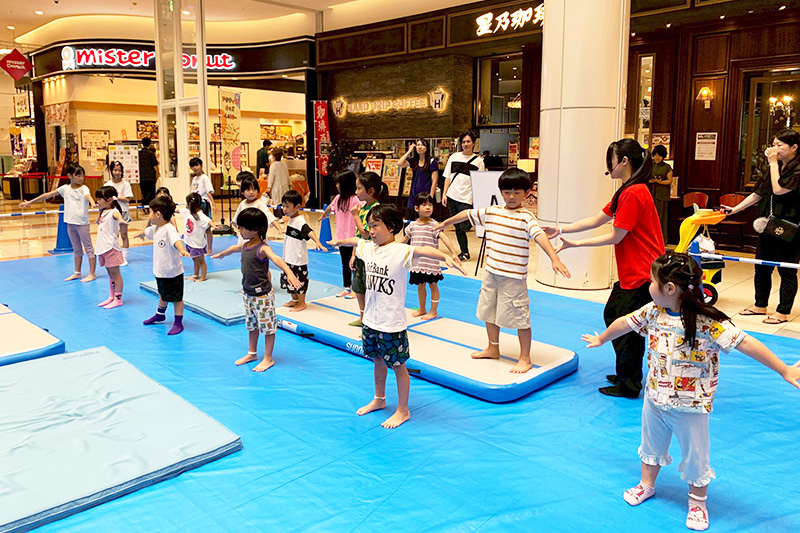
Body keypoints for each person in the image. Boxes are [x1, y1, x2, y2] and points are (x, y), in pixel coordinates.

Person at [582, 252, 800, 532]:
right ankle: (646, 484)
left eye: (652, 281)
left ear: (669, 289)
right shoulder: (653, 311)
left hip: (691, 407)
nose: (649, 286)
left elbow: (745, 343)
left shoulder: (707, 322)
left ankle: (697, 502)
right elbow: (625, 322)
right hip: (654, 399)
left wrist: (783, 369)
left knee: (696, 456)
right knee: (651, 446)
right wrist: (602, 338)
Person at [545, 138, 664, 397]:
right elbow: (598, 219)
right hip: (635, 270)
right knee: (616, 317)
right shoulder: (627, 190)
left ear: (623, 161)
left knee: (626, 325)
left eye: (610, 160)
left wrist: (575, 244)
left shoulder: (634, 192)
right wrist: (561, 228)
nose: (608, 166)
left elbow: (615, 235)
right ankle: (626, 373)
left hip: (643, 271)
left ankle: (629, 383)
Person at [329, 204, 466, 429]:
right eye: (369, 226)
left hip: (391, 323)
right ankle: (379, 399)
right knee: (377, 360)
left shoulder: (400, 251)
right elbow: (357, 242)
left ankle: (403, 410)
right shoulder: (369, 248)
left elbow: (423, 250)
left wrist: (445, 256)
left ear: (391, 227)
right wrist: (339, 241)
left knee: (399, 366)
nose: (371, 231)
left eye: (376, 226)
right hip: (370, 321)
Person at [438, 168, 571, 373]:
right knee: (489, 312)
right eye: (507, 191)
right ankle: (493, 348)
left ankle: (525, 358)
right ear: (500, 191)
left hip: (513, 277)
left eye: (517, 192)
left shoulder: (526, 217)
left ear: (527, 193)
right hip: (491, 272)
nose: (511, 196)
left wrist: (554, 257)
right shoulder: (493, 212)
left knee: (520, 318)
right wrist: (446, 222)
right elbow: (467, 213)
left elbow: (540, 236)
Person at [722, 128, 800, 325]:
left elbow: (779, 189)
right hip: (769, 223)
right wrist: (735, 209)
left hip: (791, 225)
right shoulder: (774, 167)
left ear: (794, 147)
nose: (774, 149)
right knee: (762, 266)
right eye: (773, 145)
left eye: (779, 145)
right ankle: (760, 305)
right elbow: (759, 193)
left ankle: (782, 311)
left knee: (786, 270)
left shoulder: (797, 169)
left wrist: (773, 164)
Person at [212, 208, 302, 372]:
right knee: (252, 326)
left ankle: (268, 358)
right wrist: (221, 255)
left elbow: (276, 259)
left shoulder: (262, 248)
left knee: (267, 327)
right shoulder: (245, 245)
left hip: (262, 296)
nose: (239, 230)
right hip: (248, 294)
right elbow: (233, 248)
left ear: (255, 230)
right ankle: (252, 353)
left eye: (242, 228)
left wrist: (289, 272)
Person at [20, 164, 97, 282]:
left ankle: (92, 273)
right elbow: (48, 195)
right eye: (78, 176)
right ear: (69, 176)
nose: (81, 178)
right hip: (70, 222)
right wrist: (30, 202)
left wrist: (92, 203)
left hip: (82, 223)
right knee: (76, 249)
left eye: (82, 176)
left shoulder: (84, 188)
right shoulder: (65, 189)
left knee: (88, 248)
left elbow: (88, 196)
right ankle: (77, 272)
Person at [137, 195, 190, 335]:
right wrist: (141, 234)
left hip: (173, 272)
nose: (149, 215)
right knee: (163, 293)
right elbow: (147, 232)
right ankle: (160, 314)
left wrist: (182, 250)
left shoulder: (169, 229)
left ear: (158, 214)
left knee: (177, 299)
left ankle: (178, 322)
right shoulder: (156, 228)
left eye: (150, 212)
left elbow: (177, 240)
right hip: (160, 271)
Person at [403, 192, 458, 320]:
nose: (428, 207)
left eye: (430, 204)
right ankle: (422, 309)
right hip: (418, 262)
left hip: (431, 263)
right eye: (424, 205)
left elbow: (444, 238)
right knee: (420, 285)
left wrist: (453, 253)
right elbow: (404, 241)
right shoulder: (412, 226)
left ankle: (433, 311)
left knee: (433, 285)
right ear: (416, 208)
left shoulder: (434, 225)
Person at [348, 171, 387, 327]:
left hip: (372, 254)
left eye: (359, 189)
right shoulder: (363, 207)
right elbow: (357, 235)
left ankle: (372, 320)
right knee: (358, 285)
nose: (356, 192)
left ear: (370, 191)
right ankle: (363, 316)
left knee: (371, 287)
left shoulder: (375, 209)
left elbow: (365, 234)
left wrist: (355, 216)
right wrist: (353, 254)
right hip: (361, 252)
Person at [280, 190, 327, 312]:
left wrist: (317, 241)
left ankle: (301, 302)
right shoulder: (291, 219)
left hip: (298, 259)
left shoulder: (300, 221)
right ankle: (294, 300)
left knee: (299, 281)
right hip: (289, 257)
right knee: (289, 280)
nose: (284, 209)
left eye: (287, 206)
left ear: (297, 207)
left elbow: (309, 231)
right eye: (283, 206)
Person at [441, 130, 485, 261]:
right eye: (463, 142)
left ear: (474, 143)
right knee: (457, 227)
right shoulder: (454, 157)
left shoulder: (479, 161)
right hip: (452, 196)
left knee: (463, 225)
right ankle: (464, 252)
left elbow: (480, 182)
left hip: (467, 198)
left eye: (468, 142)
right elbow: (447, 177)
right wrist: (444, 194)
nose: (465, 144)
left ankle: (465, 248)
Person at [321, 169, 361, 299]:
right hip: (341, 238)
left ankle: (357, 288)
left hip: (354, 238)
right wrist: (324, 215)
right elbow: (330, 207)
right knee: (345, 263)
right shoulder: (338, 199)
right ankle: (347, 287)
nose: (336, 186)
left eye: (338, 183)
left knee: (355, 263)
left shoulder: (355, 199)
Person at [93, 186, 125, 309]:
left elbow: (118, 216)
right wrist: (98, 207)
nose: (98, 201)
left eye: (100, 199)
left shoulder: (113, 211)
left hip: (111, 248)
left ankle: (118, 299)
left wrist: (122, 220)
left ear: (110, 199)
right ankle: (111, 296)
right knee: (110, 274)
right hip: (102, 247)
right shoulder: (104, 211)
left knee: (116, 274)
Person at [397, 139, 439, 220]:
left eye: (422, 145)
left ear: (427, 148)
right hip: (413, 195)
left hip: (425, 194)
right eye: (418, 145)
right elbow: (399, 163)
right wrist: (409, 151)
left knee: (425, 220)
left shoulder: (432, 161)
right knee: (410, 219)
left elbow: (434, 181)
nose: (420, 147)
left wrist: (430, 198)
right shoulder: (414, 161)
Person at [233, 173, 282, 240]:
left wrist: (279, 228)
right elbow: (237, 217)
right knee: (245, 248)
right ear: (242, 192)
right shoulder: (242, 204)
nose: (251, 192)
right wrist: (234, 223)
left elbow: (270, 216)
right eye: (248, 190)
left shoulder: (260, 204)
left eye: (254, 189)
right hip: (245, 234)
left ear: (258, 191)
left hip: (257, 235)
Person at [104, 160, 134, 265]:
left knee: (124, 235)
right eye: (115, 170)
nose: (117, 172)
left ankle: (124, 257)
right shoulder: (108, 184)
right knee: (113, 235)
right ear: (111, 171)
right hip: (111, 213)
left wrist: (116, 198)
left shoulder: (125, 184)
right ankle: (115, 256)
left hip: (123, 212)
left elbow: (128, 198)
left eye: (119, 170)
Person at [180, 193, 212, 282]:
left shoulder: (200, 215)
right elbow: (177, 210)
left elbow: (208, 221)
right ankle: (195, 274)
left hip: (197, 243)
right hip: (190, 242)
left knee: (201, 260)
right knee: (195, 259)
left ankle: (203, 277)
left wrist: (215, 225)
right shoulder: (187, 212)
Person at [190, 157, 215, 254]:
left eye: (197, 165)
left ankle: (209, 249)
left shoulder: (205, 178)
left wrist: (213, 204)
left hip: (204, 203)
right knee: (198, 226)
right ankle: (202, 246)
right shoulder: (194, 179)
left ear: (201, 165)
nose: (195, 168)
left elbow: (208, 192)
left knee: (207, 226)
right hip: (195, 204)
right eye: (193, 166)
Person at [649, 144, 673, 243]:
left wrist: (659, 181)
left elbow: (669, 180)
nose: (657, 157)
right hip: (650, 193)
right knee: (649, 217)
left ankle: (661, 239)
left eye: (659, 155)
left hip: (662, 194)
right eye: (655, 155)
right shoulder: (649, 164)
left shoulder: (667, 167)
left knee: (660, 218)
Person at [267, 148, 291, 216]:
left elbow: (271, 177)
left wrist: (269, 187)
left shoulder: (273, 165)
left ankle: (278, 216)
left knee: (276, 202)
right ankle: (283, 215)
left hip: (276, 187)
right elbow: (287, 176)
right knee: (283, 202)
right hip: (284, 186)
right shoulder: (284, 165)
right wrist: (289, 185)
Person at [138, 137, 160, 209]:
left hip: (141, 176)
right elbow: (155, 165)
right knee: (151, 192)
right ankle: (148, 205)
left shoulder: (138, 153)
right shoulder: (151, 154)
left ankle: (145, 206)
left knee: (144, 192)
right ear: (150, 144)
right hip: (150, 176)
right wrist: (158, 173)